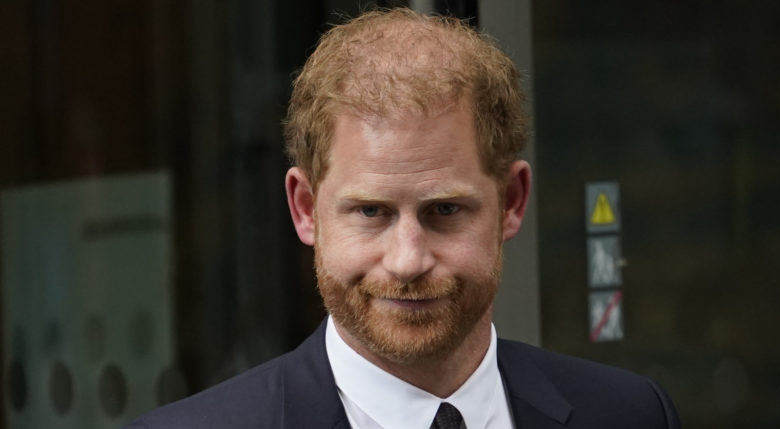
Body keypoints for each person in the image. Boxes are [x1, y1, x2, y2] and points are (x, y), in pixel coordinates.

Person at [125, 8, 680, 429]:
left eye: (444, 211)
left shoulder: (630, 414)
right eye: (371, 212)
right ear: (305, 209)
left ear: (511, 200)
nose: (408, 259)